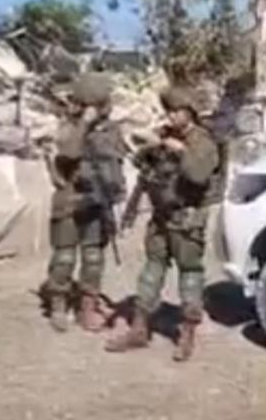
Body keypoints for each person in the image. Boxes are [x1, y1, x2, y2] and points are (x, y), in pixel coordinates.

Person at [106, 86, 220, 362]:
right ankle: (139, 328)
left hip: (187, 219)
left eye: (176, 112)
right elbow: (142, 165)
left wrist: (180, 151)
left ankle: (187, 334)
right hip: (161, 217)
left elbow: (198, 175)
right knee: (151, 271)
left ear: (189, 113)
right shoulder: (165, 135)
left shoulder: (202, 141)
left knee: (190, 274)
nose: (171, 116)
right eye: (168, 111)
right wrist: (151, 144)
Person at [41, 72, 126, 333]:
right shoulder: (68, 126)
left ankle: (87, 307)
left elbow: (116, 163)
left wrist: (116, 193)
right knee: (64, 257)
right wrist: (84, 125)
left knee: (93, 257)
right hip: (70, 200)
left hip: (97, 203)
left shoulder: (111, 130)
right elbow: (68, 153)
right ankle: (58, 304)